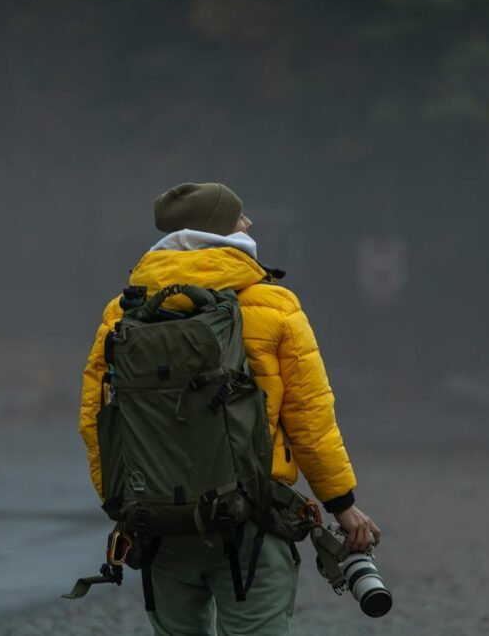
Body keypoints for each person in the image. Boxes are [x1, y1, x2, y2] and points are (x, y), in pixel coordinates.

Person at [78, 182, 380, 635]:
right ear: (219, 229)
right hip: (252, 521)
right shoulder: (274, 305)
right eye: (239, 217)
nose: (249, 223)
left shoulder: (124, 313)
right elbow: (310, 419)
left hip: (160, 524)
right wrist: (343, 506)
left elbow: (96, 420)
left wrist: (123, 505)